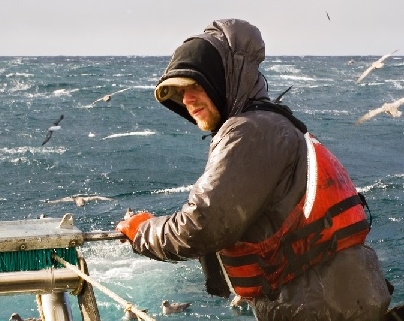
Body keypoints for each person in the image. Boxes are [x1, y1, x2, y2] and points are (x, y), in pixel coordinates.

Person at [115, 18, 391, 320]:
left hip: (319, 306)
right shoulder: (271, 124)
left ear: (221, 81)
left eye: (195, 85)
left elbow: (204, 225)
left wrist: (142, 231)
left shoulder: (250, 131)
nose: (187, 99)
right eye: (180, 92)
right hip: (339, 299)